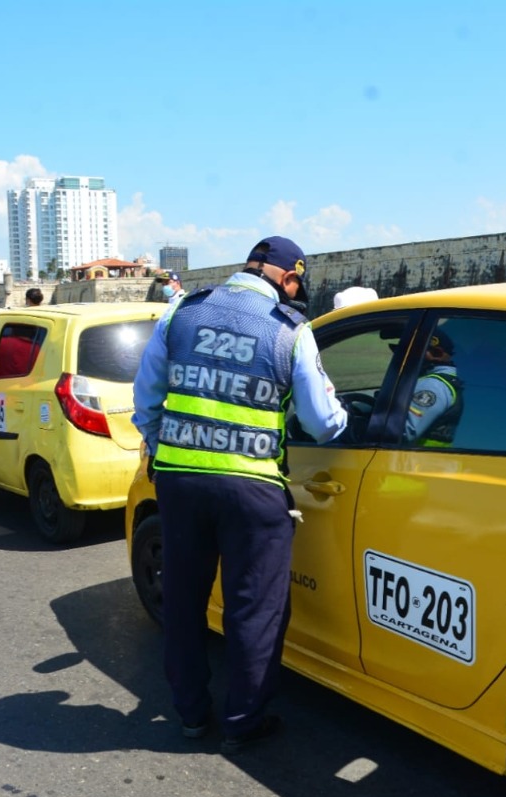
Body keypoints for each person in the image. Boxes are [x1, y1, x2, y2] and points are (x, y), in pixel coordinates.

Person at [132, 236, 347, 753]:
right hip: (253, 489)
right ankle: (242, 720)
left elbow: (145, 400)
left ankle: (190, 714)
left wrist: (171, 451)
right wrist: (344, 416)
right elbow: (321, 423)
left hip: (180, 482)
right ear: (288, 278)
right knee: (254, 608)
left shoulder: (182, 313)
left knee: (184, 599)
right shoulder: (289, 330)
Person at [402, 330, 463, 447]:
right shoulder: (443, 382)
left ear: (437, 353)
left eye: (415, 352)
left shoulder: (432, 385)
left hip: (420, 462)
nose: (408, 358)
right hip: (432, 462)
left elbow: (404, 432)